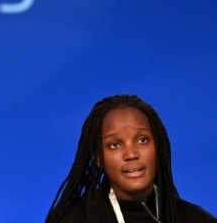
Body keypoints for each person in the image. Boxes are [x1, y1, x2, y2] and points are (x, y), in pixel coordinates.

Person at [45, 94, 216, 223]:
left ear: (159, 147)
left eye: (143, 140)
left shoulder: (192, 218)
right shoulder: (77, 219)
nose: (131, 154)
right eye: (115, 145)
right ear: (98, 158)